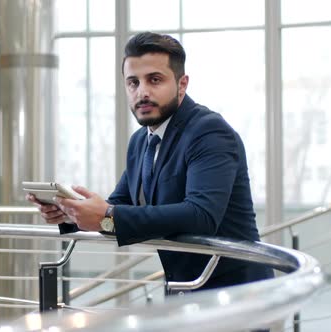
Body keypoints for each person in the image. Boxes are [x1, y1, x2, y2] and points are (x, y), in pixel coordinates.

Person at [27, 32, 274, 291]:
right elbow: (120, 205)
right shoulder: (140, 141)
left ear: (182, 84)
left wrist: (105, 216)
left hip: (235, 294)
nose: (142, 92)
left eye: (154, 80)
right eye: (133, 82)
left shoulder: (209, 131)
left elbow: (201, 214)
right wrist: (71, 213)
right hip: (184, 288)